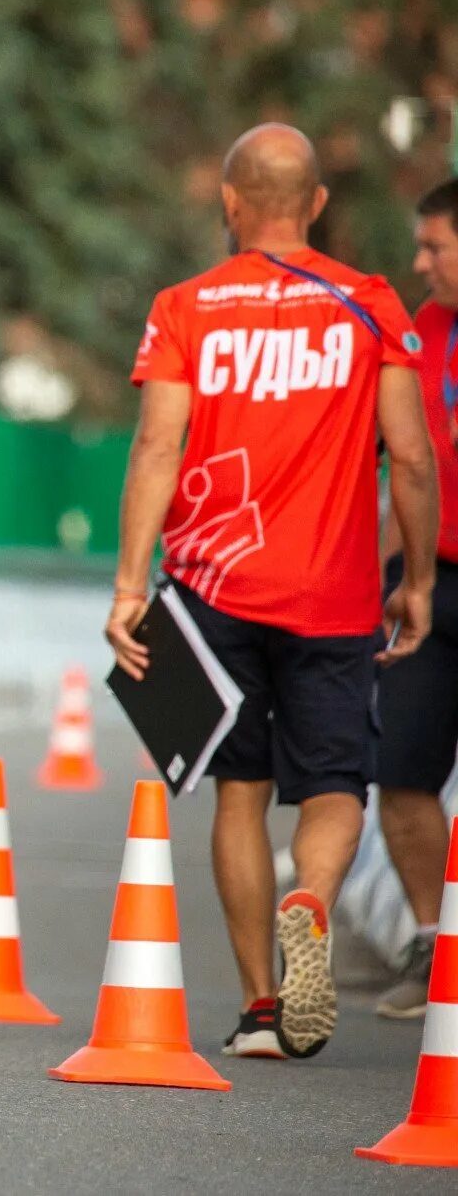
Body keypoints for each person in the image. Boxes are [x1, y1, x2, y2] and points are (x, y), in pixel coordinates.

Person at [106, 123, 437, 1061]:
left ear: (230, 201)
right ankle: (312, 900)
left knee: (239, 793)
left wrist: (132, 586)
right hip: (332, 597)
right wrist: (414, 580)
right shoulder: (371, 306)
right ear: (319, 205)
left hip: (211, 593)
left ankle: (260, 1009)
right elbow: (410, 460)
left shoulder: (184, 309)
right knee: (335, 786)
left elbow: (156, 449)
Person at [371, 177, 458, 1018]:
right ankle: (436, 945)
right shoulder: (419, 333)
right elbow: (406, 468)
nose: (419, 262)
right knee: (399, 769)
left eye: (435, 246)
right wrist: (380, 581)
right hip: (430, 583)